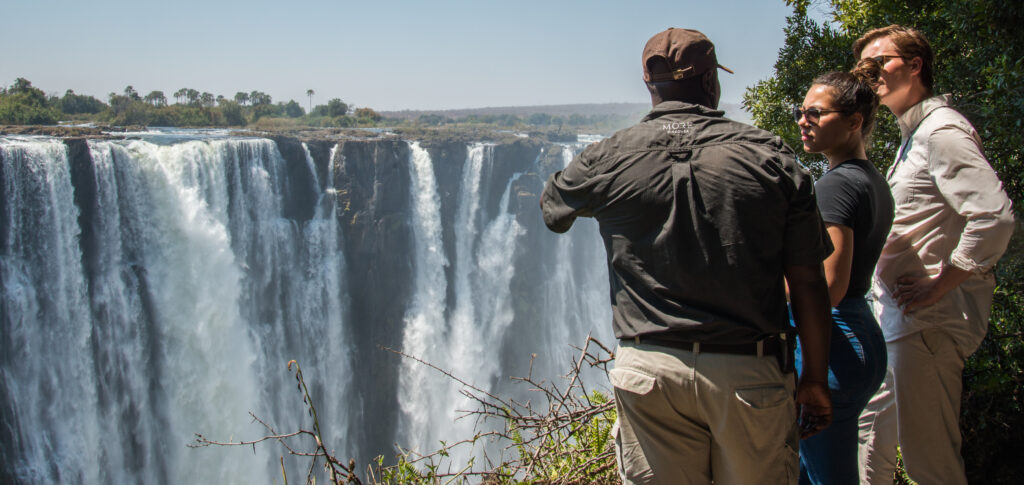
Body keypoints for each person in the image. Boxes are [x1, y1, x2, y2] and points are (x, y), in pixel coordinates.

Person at [540, 28, 834, 485]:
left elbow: (553, 210)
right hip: (748, 371)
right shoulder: (770, 156)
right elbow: (810, 281)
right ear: (711, 81)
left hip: (648, 371)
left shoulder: (608, 156)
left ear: (648, 84)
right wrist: (814, 378)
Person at [853, 25, 1015, 485]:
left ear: (915, 65)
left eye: (880, 61)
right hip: (898, 322)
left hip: (927, 323)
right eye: (865, 66)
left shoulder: (942, 132)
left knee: (930, 463)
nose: (872, 73)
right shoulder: (914, 136)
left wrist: (940, 283)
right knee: (871, 440)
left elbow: (993, 216)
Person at [791, 61, 893, 485]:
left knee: (823, 477)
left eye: (816, 113)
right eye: (801, 112)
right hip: (859, 333)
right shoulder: (871, 179)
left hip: (832, 341)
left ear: (854, 121)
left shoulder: (835, 185)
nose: (803, 121)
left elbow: (828, 287)